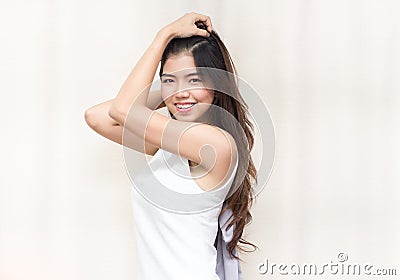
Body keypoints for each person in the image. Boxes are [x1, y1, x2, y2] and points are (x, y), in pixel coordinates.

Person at [85, 12, 258, 280]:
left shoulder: (215, 144)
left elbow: (122, 110)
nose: (182, 92)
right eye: (169, 80)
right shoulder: (171, 145)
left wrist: (162, 36)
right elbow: (97, 117)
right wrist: (173, 91)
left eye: (195, 79)